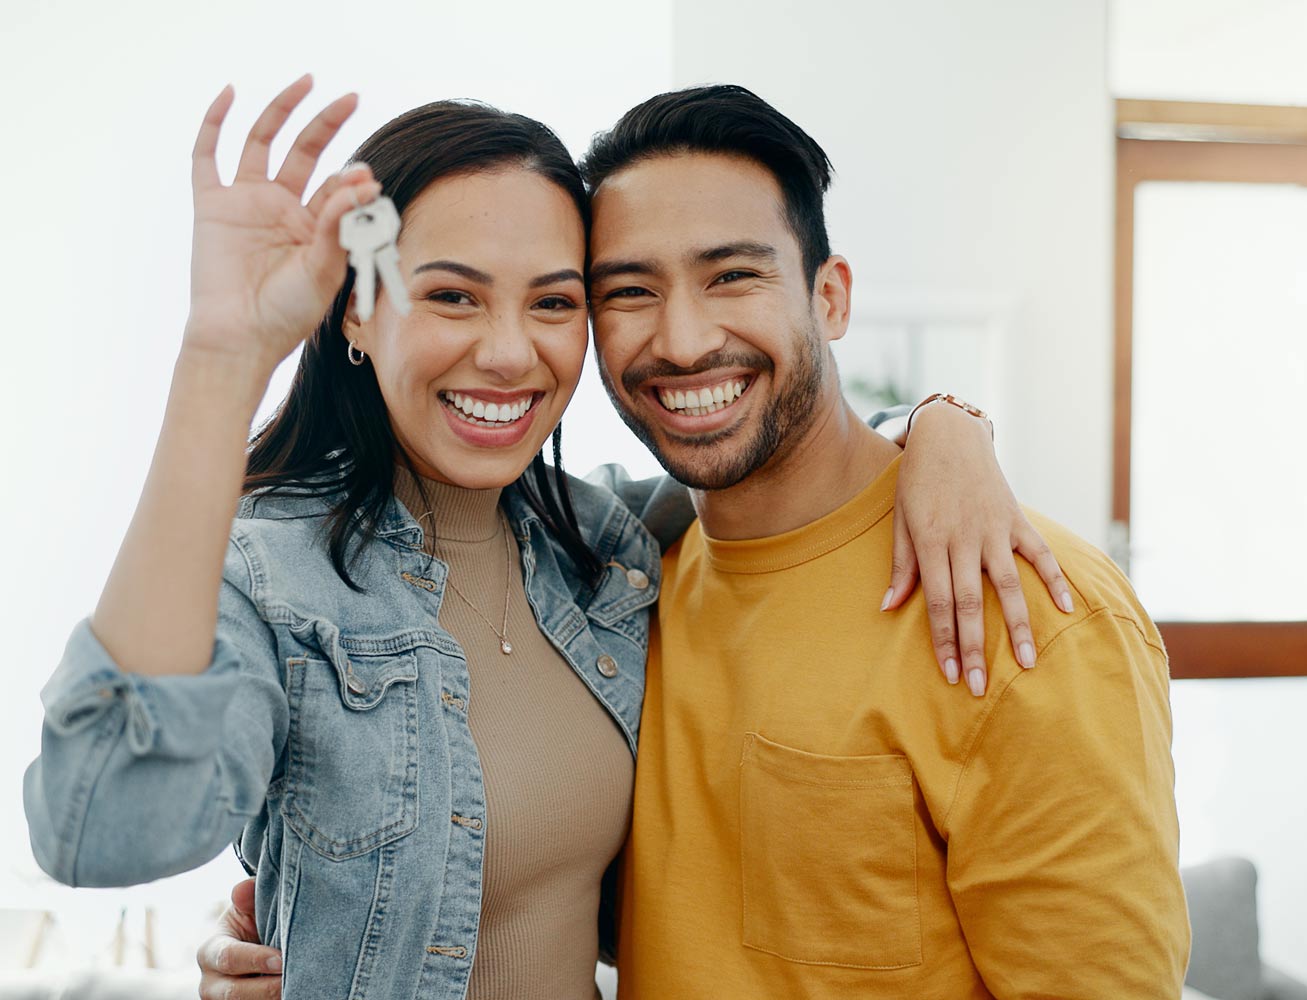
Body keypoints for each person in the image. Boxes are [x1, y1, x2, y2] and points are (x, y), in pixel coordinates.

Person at [23, 78, 1060, 1000]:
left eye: (555, 302)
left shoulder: (605, 548)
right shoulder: (276, 578)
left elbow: (781, 473)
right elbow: (102, 827)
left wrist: (941, 430)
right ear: (355, 311)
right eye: (450, 295)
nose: (510, 353)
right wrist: (223, 354)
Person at [581, 87, 1187, 997]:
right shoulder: (617, 577)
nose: (684, 338)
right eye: (630, 291)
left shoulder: (1028, 606)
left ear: (830, 297)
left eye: (733, 276)